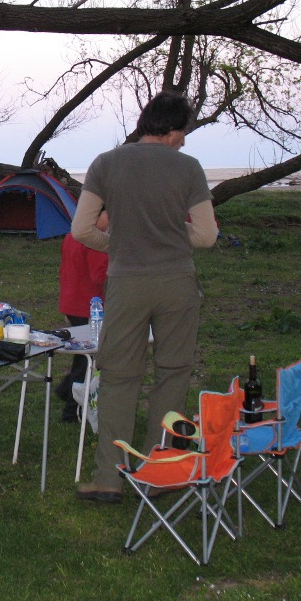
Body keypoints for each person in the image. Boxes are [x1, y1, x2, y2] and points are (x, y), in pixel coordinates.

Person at [71, 90, 219, 504]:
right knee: (172, 374)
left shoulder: (106, 162)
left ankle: (108, 481)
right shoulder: (188, 168)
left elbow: (81, 230)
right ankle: (161, 471)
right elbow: (206, 236)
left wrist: (119, 242)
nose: (185, 141)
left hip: (126, 285)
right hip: (176, 283)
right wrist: (173, 231)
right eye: (184, 132)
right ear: (172, 131)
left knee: (118, 377)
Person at [56, 209, 110, 422]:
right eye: (109, 215)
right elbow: (99, 275)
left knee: (82, 355)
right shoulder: (96, 241)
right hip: (89, 305)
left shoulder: (72, 235)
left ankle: (65, 389)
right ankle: (71, 410)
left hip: (71, 301)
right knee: (88, 359)